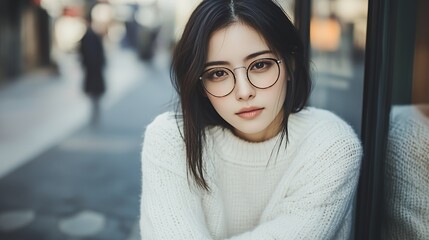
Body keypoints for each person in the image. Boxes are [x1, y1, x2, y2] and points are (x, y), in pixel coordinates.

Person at [140, 0, 362, 239]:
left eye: (260, 65)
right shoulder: (172, 138)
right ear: (200, 84)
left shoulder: (330, 146)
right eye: (218, 73)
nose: (244, 91)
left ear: (291, 64)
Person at [79, 16, 106, 126]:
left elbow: (90, 54)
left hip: (92, 70)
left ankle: (95, 114)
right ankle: (95, 112)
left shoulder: (89, 36)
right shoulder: (92, 35)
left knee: (93, 92)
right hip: (94, 69)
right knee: (95, 93)